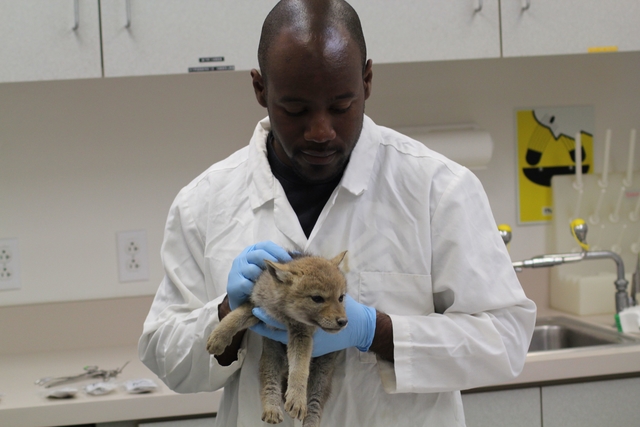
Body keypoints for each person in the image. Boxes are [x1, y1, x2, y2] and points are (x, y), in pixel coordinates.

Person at [138, 0, 537, 425]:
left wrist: (376, 331)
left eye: (341, 106)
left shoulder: (438, 190)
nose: (321, 131)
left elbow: (505, 341)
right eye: (295, 110)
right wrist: (226, 315)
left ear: (367, 80)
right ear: (260, 90)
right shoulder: (205, 202)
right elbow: (166, 357)